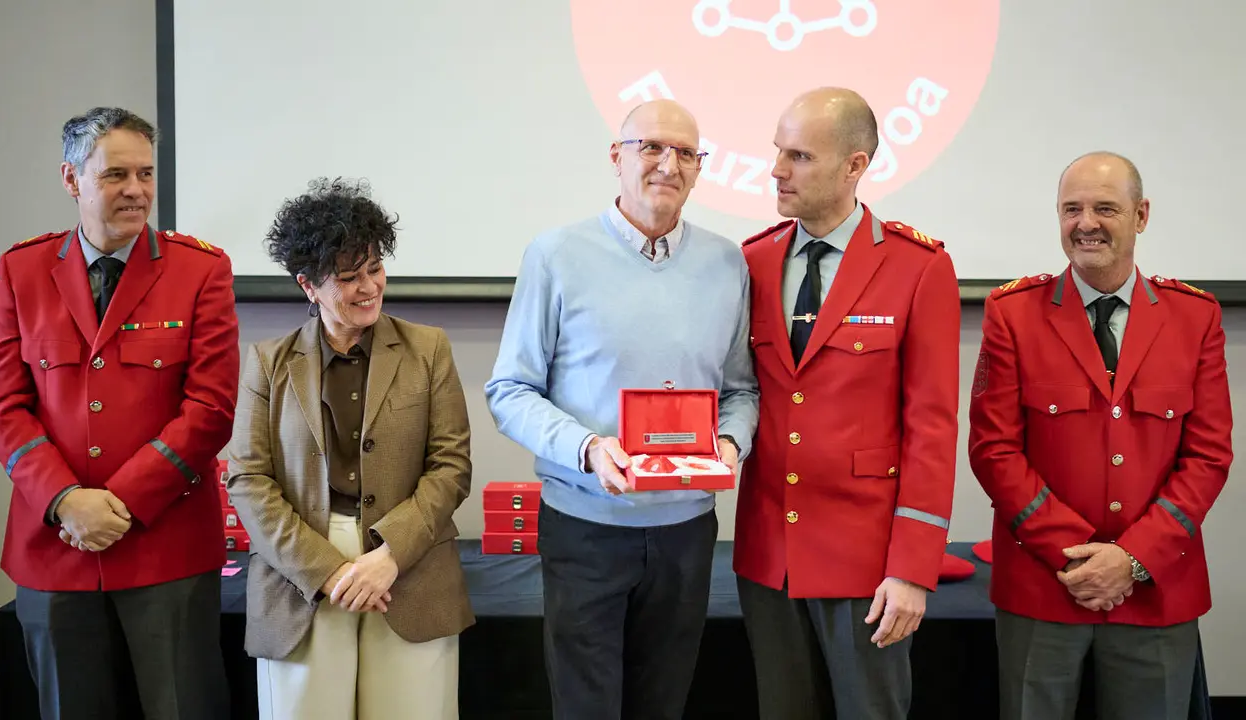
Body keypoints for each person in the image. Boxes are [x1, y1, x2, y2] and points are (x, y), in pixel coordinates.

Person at [484, 99, 759, 720]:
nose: (669, 164)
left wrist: (731, 443)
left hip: (686, 531)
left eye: (686, 153)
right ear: (617, 157)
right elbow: (510, 390)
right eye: (652, 147)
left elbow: (741, 390)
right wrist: (586, 449)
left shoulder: (727, 263)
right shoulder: (555, 255)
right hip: (585, 528)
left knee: (663, 703)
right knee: (587, 707)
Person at [0, 107, 238, 719]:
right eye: (115, 174)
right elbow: (1, 406)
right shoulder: (22, 269)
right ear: (71, 179)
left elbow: (211, 407)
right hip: (55, 543)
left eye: (146, 173)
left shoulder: (201, 269)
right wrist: (68, 501)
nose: (136, 190)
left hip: (165, 545)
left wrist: (118, 505)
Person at [968, 151, 1233, 720]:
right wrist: (1077, 559)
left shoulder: (1195, 317)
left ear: (1141, 215)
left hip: (1156, 588)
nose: (1085, 223)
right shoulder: (1012, 313)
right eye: (1072, 209)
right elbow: (994, 449)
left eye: (1105, 208)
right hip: (1044, 585)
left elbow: (1209, 455)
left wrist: (1132, 559)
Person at [733, 87, 961, 720]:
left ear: (856, 166)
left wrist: (914, 567)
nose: (777, 169)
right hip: (769, 556)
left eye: (800, 155)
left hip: (868, 564)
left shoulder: (918, 267)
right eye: (778, 151)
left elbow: (932, 427)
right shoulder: (752, 260)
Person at [225, 177, 474, 719]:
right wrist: (329, 571)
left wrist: (389, 557)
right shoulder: (269, 361)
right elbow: (248, 479)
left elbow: (451, 466)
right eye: (347, 278)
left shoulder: (428, 348)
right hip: (301, 571)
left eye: (374, 270)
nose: (368, 288)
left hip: (408, 564)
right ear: (308, 286)